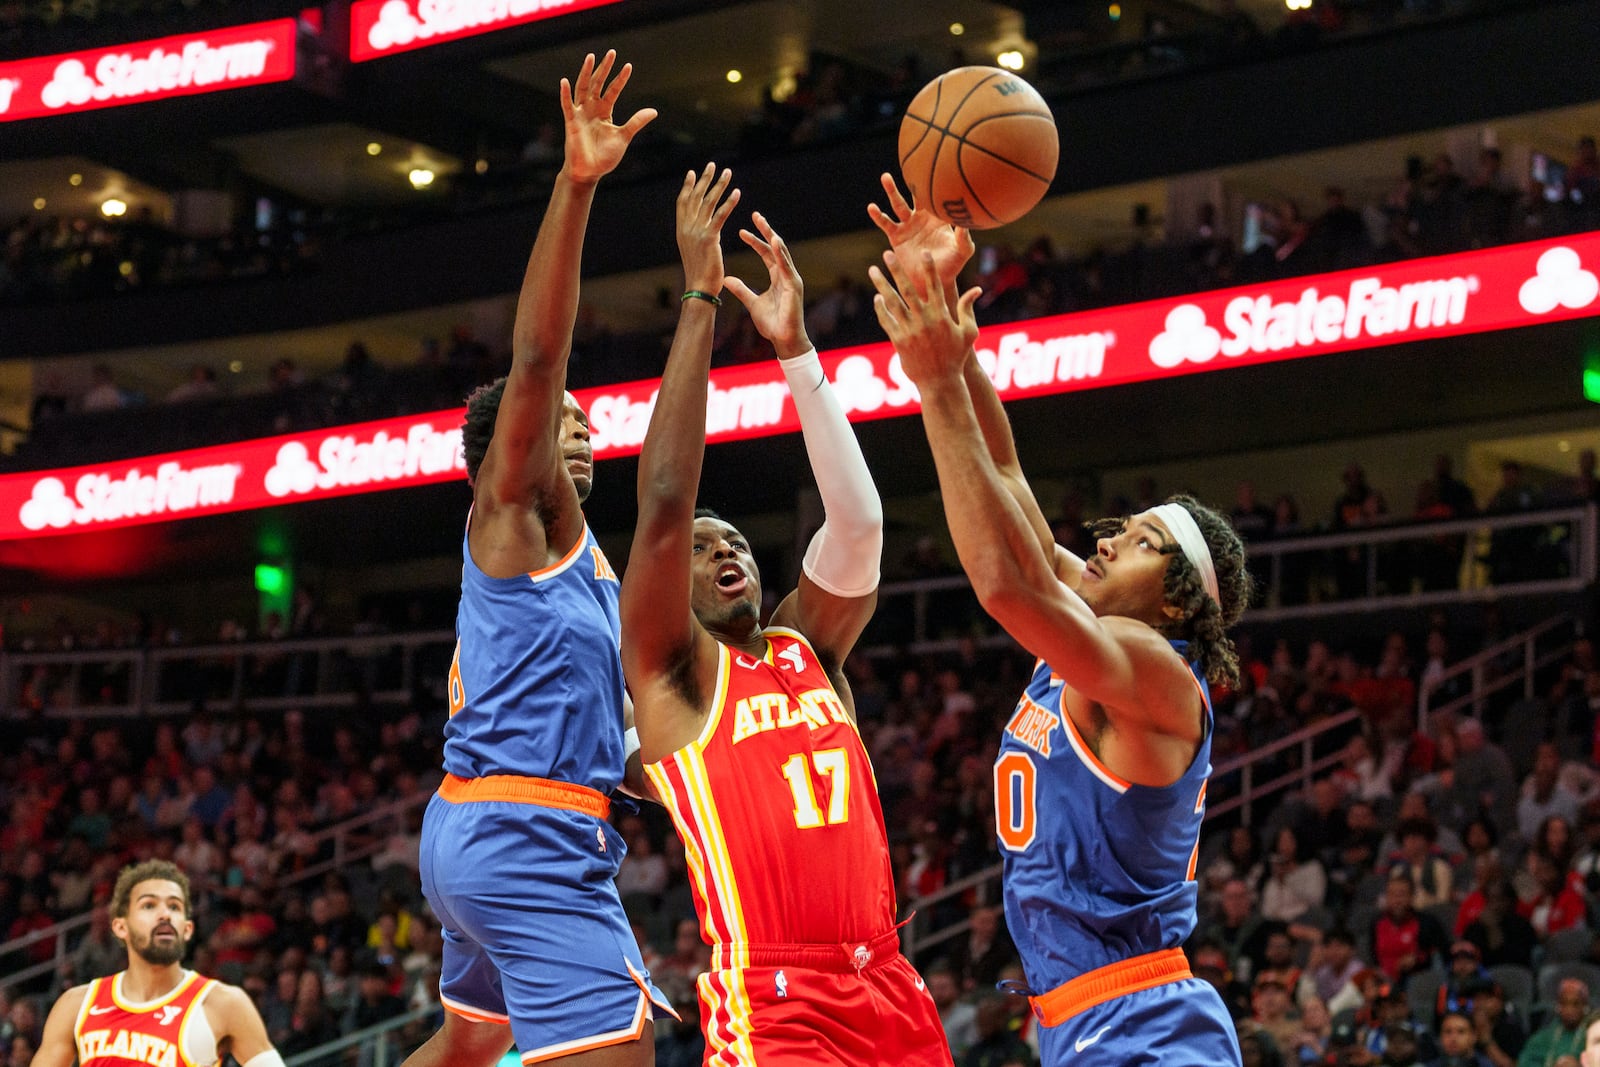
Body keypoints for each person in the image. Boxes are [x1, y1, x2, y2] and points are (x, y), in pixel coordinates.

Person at [865, 171, 1250, 1064]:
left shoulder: (1155, 671)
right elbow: (1005, 480)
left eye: (1146, 538)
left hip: (1149, 1024)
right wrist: (949, 340)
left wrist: (930, 387)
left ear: (1179, 595)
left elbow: (1006, 586)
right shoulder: (1092, 634)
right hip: (1076, 1021)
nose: (1113, 536)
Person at [620, 165, 949, 1065]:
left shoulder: (807, 646)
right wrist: (699, 297)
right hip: (776, 996)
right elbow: (662, 496)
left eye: (734, 541)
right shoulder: (670, 671)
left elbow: (862, 524)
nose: (723, 549)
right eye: (700, 546)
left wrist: (797, 352)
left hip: (888, 978)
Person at [404, 50, 673, 1067]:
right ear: (504, 450)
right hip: (524, 833)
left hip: (493, 821)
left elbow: (628, 742)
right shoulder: (510, 512)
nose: (582, 426)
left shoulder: (584, 565)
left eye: (582, 420)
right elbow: (537, 355)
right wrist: (576, 186)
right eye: (559, 422)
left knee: (471, 1043)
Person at [32, 859, 279, 1067]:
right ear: (120, 926)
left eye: (174, 906)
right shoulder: (77, 1005)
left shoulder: (223, 1003)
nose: (164, 914)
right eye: (149, 905)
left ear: (187, 929)